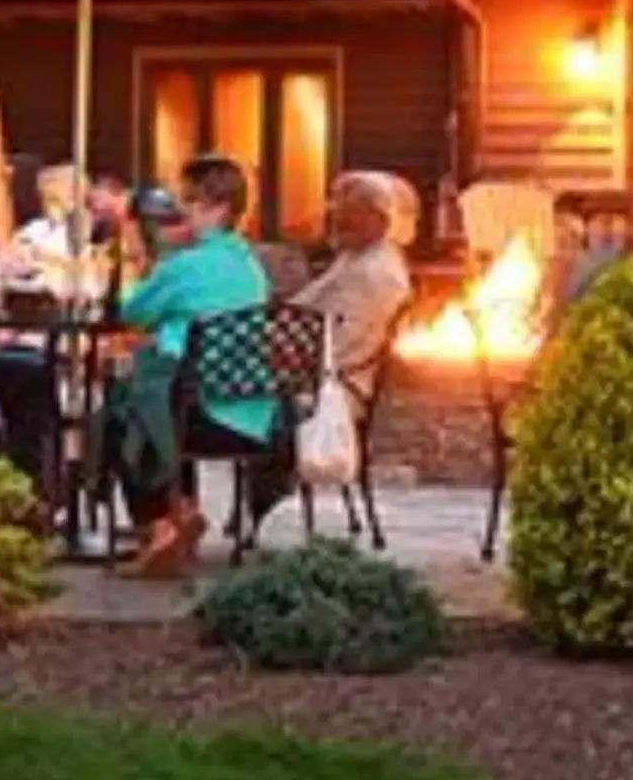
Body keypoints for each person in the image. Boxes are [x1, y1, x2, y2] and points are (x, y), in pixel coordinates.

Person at [103, 155, 269, 578]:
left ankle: (160, 525)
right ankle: (182, 510)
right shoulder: (250, 266)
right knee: (168, 391)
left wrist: (160, 263)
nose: (181, 213)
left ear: (217, 208)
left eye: (190, 203)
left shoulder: (184, 266)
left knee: (122, 411)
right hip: (251, 413)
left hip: (200, 413)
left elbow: (132, 310)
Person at [293, 172, 413, 383]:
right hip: (309, 366)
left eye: (352, 210)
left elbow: (338, 344)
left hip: (328, 386)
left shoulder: (373, 273)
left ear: (380, 219)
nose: (337, 217)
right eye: (338, 206)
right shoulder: (356, 258)